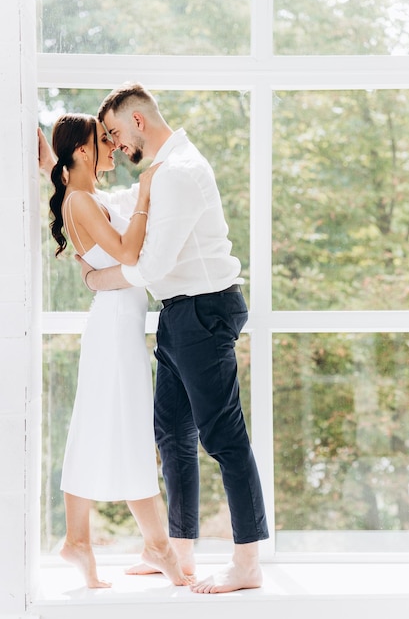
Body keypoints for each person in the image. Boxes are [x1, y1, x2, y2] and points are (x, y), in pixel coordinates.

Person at [74, 83, 270, 595]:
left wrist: (98, 280)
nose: (116, 147)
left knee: (222, 439)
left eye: (115, 133)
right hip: (182, 313)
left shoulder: (179, 174)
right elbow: (116, 205)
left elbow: (151, 264)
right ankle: (178, 552)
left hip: (204, 310)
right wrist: (54, 160)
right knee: (172, 436)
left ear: (138, 121)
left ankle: (247, 563)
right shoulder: (162, 174)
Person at [38, 115, 193, 589]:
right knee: (126, 431)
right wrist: (146, 195)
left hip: (118, 324)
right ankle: (156, 546)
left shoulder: (84, 196)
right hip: (113, 327)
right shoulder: (81, 201)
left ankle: (82, 540)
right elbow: (129, 254)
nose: (112, 147)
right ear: (82, 152)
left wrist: (41, 138)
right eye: (102, 141)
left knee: (108, 427)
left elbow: (52, 161)